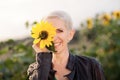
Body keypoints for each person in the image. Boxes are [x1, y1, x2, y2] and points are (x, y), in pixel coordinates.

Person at [27, 11, 105, 80]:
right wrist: (43, 57)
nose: (53, 37)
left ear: (70, 34)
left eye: (59, 31)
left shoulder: (91, 65)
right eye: (48, 32)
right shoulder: (35, 70)